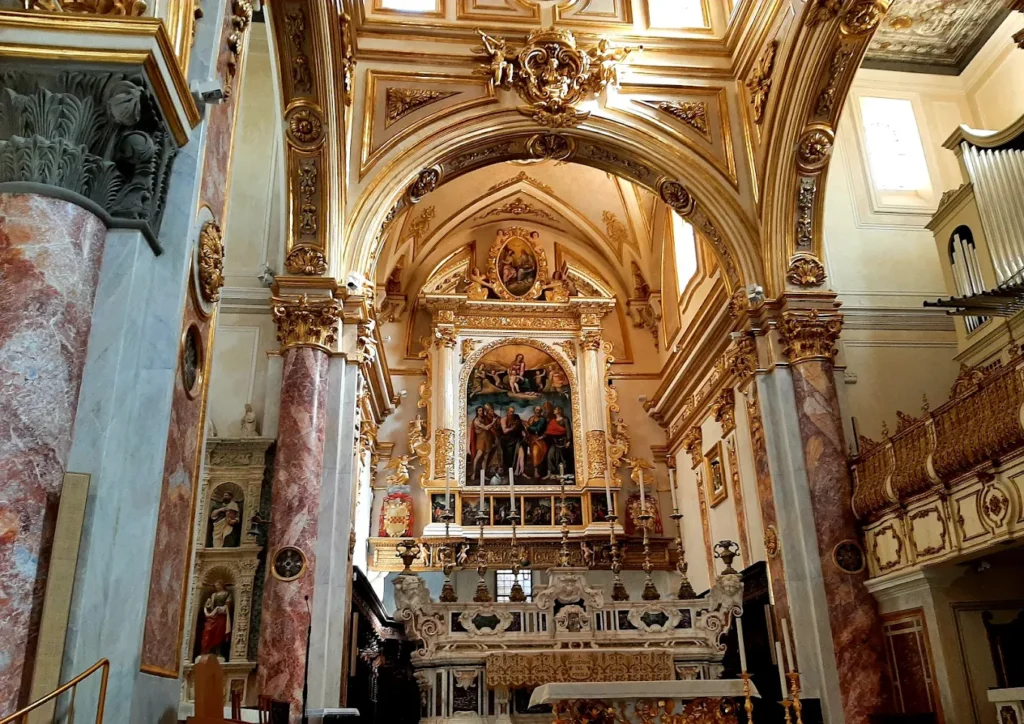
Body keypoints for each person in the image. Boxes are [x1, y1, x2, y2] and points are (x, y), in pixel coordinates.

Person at [200, 581, 232, 660]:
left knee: (219, 633)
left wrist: (222, 608)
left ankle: (218, 652)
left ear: (222, 585)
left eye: (218, 585)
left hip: (221, 616)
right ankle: (207, 651)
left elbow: (228, 604)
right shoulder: (213, 595)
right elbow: (209, 605)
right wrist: (208, 604)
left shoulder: (227, 594)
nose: (217, 587)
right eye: (216, 586)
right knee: (208, 631)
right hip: (213, 616)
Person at [469, 406, 498, 482]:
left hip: (487, 440)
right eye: (479, 410)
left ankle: (483, 475)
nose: (481, 412)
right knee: (478, 456)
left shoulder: (485, 418)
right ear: (477, 412)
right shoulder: (476, 421)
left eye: (482, 410)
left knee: (485, 458)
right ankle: (474, 473)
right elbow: (486, 428)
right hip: (480, 440)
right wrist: (493, 422)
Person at [544, 407, 572, 479]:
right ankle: (549, 474)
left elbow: (568, 430)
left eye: (555, 409)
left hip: (563, 442)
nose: (554, 410)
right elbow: (549, 431)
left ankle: (562, 475)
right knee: (550, 456)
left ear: (559, 411)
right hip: (554, 442)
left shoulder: (565, 419)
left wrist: (568, 441)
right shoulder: (552, 420)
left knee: (562, 458)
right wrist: (542, 437)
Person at [499, 406, 526, 475]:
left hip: (517, 439)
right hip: (508, 441)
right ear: (507, 412)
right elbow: (505, 431)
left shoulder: (516, 417)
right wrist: (512, 428)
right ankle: (513, 471)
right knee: (510, 457)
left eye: (513, 412)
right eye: (510, 412)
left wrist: (523, 432)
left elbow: (521, 427)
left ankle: (521, 471)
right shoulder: (504, 419)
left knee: (521, 453)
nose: (512, 413)